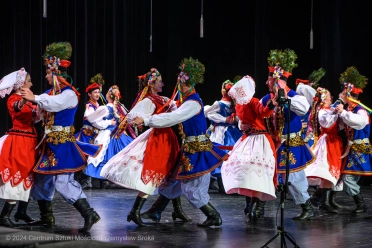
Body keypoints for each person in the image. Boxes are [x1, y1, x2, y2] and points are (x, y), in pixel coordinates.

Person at [130, 58, 228, 227]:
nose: (179, 87)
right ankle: (156, 211)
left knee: (192, 190)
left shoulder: (192, 104)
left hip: (198, 151)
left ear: (189, 85)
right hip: (189, 150)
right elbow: (173, 109)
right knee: (172, 182)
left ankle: (214, 215)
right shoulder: (185, 102)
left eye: (181, 84)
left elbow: (172, 118)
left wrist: (146, 120)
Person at [20, 42, 102, 232]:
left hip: (64, 144)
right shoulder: (48, 93)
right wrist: (29, 109)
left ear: (56, 73)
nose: (46, 76)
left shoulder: (69, 94)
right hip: (49, 144)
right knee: (41, 181)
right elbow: (41, 112)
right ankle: (46, 217)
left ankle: (89, 213)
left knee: (63, 182)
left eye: (49, 73)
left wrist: (36, 99)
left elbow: (54, 104)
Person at [101, 68, 188, 227]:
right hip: (159, 140)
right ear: (152, 83)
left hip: (169, 139)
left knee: (173, 174)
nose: (162, 83)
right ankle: (134, 211)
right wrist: (140, 120)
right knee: (156, 172)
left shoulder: (163, 98)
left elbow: (177, 108)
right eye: (159, 81)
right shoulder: (148, 100)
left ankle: (177, 209)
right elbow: (133, 116)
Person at [261, 49, 315, 220]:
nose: (266, 82)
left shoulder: (294, 96)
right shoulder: (266, 98)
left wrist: (284, 96)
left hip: (290, 144)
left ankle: (307, 206)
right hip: (272, 144)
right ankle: (258, 206)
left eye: (269, 79)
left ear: (277, 81)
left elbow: (303, 108)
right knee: (266, 174)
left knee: (293, 177)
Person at [221, 75, 277, 222]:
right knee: (245, 168)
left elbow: (262, 112)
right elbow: (259, 114)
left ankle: (256, 205)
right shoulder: (245, 103)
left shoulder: (249, 102)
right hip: (251, 139)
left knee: (256, 170)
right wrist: (241, 125)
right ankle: (251, 203)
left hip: (257, 139)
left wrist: (271, 105)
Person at [0, 68, 38, 227]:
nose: (31, 83)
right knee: (19, 172)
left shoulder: (30, 99)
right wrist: (23, 101)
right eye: (29, 81)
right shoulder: (13, 99)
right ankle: (4, 215)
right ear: (21, 84)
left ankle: (21, 211)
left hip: (29, 141)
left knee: (28, 174)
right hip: (19, 141)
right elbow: (16, 107)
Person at [332, 66, 371, 213]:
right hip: (352, 149)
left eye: (344, 93)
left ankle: (361, 204)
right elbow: (344, 125)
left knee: (348, 180)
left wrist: (343, 114)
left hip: (360, 149)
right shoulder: (350, 110)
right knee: (342, 176)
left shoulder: (360, 110)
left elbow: (359, 122)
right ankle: (325, 200)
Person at [304, 87, 343, 213]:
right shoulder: (322, 111)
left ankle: (318, 199)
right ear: (324, 99)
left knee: (330, 173)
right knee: (327, 172)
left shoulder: (329, 109)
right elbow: (326, 123)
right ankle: (323, 202)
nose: (331, 97)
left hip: (334, 142)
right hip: (327, 143)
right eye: (329, 95)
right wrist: (335, 112)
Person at [84, 85, 135, 180]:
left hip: (108, 133)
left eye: (106, 92)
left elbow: (92, 119)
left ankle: (104, 178)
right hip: (118, 134)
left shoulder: (106, 108)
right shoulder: (119, 107)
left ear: (109, 95)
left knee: (103, 154)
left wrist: (107, 122)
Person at [204, 79, 242, 194]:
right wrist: (228, 119)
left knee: (219, 153)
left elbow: (207, 113)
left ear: (223, 91)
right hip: (230, 130)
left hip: (220, 131)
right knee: (227, 153)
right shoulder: (234, 104)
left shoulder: (219, 104)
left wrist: (224, 119)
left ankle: (222, 184)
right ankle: (219, 182)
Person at [75, 74, 104, 189]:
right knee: (87, 156)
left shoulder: (98, 105)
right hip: (87, 135)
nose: (97, 94)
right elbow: (91, 119)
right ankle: (86, 179)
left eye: (98, 92)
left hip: (96, 134)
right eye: (95, 92)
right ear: (89, 94)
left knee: (97, 155)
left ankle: (102, 180)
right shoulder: (89, 106)